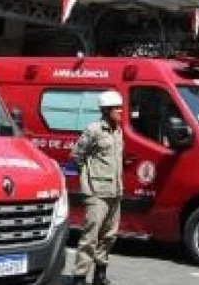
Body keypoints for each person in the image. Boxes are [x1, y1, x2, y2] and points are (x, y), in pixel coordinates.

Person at [70, 90, 124, 285]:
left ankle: (100, 274)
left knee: (109, 236)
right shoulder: (94, 130)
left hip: (115, 191)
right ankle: (79, 276)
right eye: (117, 108)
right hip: (96, 192)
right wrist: (87, 181)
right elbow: (77, 155)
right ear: (106, 110)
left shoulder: (118, 131)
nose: (121, 111)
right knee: (90, 236)